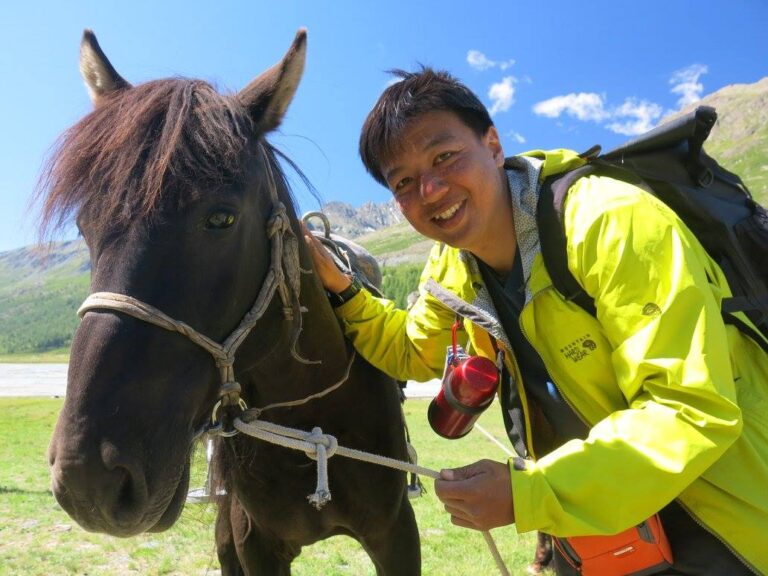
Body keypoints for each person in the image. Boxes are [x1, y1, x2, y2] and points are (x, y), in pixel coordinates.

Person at [304, 68, 768, 574]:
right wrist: (343, 289)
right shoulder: (453, 268)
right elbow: (412, 351)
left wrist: (528, 495)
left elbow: (690, 408)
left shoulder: (609, 221)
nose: (432, 190)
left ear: (494, 144)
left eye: (444, 157)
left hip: (728, 527)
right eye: (405, 182)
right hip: (596, 538)